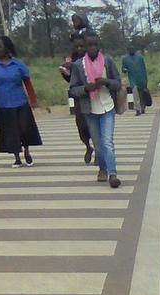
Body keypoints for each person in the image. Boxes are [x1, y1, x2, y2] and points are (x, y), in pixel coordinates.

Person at [69, 32, 122, 188]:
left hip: (107, 107)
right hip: (90, 110)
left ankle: (113, 174)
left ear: (99, 46)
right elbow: (73, 89)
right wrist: (86, 88)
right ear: (84, 47)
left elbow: (118, 83)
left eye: (95, 45)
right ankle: (102, 169)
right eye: (89, 45)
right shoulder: (79, 65)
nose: (92, 48)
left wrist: (106, 82)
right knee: (98, 145)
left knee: (107, 143)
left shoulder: (108, 61)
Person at [0, 36, 42, 168]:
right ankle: (17, 157)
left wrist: (33, 100)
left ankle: (26, 151)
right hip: (3, 104)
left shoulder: (18, 64)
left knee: (25, 129)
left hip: (20, 102)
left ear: (7, 48)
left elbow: (27, 83)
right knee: (11, 132)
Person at [59, 33, 93, 164]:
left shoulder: (92, 58)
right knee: (81, 126)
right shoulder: (70, 60)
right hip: (80, 97)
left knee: (94, 125)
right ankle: (88, 146)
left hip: (94, 96)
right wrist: (65, 74)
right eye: (76, 46)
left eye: (81, 46)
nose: (79, 48)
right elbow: (70, 81)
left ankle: (99, 151)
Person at [122, 46, 149, 116]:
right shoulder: (125, 59)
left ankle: (143, 108)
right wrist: (125, 70)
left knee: (142, 95)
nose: (131, 51)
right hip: (132, 79)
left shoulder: (140, 58)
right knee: (135, 93)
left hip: (141, 78)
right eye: (130, 49)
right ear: (128, 50)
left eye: (132, 49)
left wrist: (146, 81)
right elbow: (123, 68)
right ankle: (137, 109)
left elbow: (144, 69)